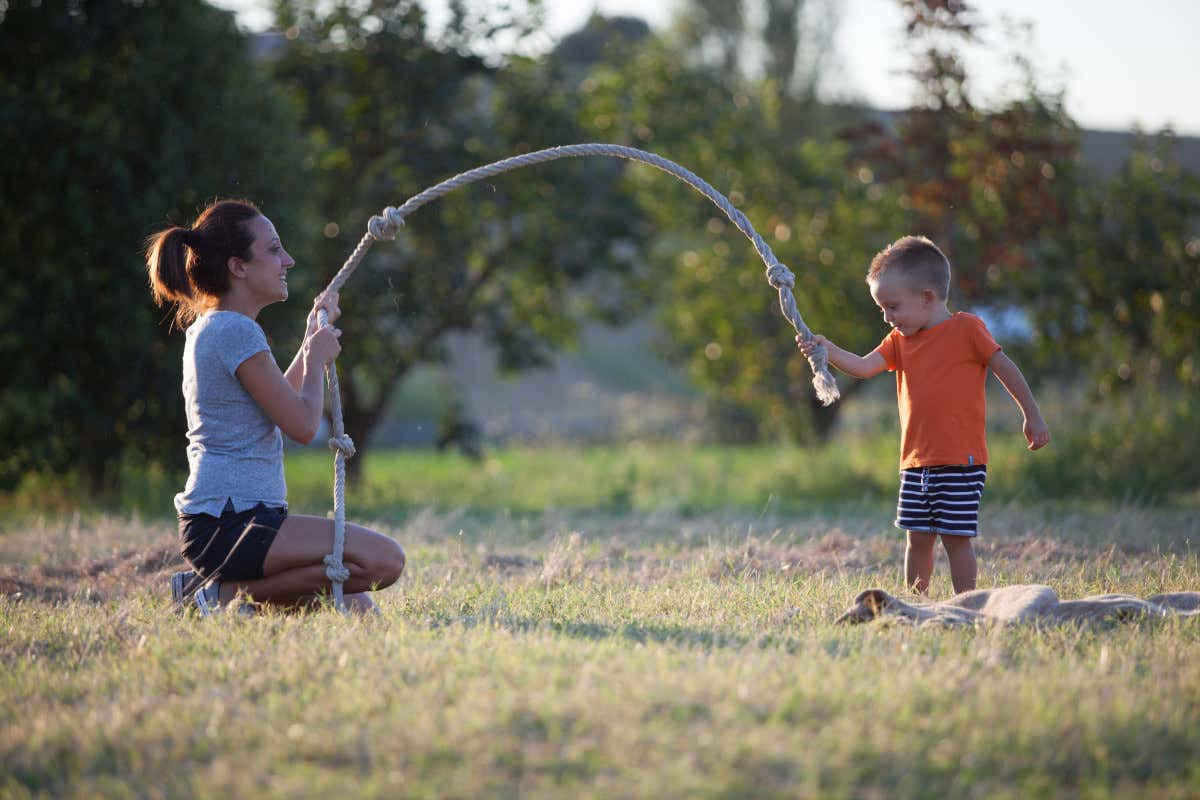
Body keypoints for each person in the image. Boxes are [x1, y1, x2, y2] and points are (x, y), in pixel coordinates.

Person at [145, 198, 405, 615]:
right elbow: (301, 425)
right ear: (238, 266)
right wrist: (318, 360)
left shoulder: (219, 328)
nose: (288, 259)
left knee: (358, 604)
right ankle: (221, 597)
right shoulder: (235, 331)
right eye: (273, 249)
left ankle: (214, 591)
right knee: (385, 560)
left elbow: (276, 406)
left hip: (231, 523)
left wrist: (307, 342)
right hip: (229, 525)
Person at [798, 235, 1049, 595]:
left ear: (927, 298)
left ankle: (968, 602)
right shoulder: (899, 342)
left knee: (955, 538)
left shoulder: (967, 329)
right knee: (917, 539)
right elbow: (864, 366)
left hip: (961, 461)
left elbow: (1004, 367)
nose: (887, 318)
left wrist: (1032, 415)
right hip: (916, 463)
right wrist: (829, 349)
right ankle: (917, 601)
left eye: (893, 307)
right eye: (882, 309)